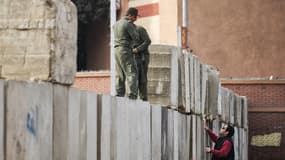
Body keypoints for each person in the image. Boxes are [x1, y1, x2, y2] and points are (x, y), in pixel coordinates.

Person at [113, 8, 139, 99]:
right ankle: (132, 94)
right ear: (130, 15)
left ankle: (119, 94)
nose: (135, 19)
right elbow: (136, 38)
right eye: (135, 17)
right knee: (132, 72)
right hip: (125, 50)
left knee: (120, 73)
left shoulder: (116, 24)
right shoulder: (128, 24)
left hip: (116, 50)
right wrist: (134, 28)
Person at [132, 25, 151, 101]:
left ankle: (143, 98)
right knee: (134, 78)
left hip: (142, 57)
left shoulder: (139, 29)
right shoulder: (128, 31)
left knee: (142, 79)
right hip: (134, 57)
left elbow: (148, 41)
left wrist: (137, 49)